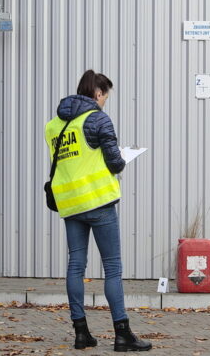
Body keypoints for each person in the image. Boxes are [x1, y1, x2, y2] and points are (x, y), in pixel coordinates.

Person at [44, 70, 152, 352]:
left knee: (76, 266)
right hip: (99, 203)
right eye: (106, 96)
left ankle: (81, 333)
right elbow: (115, 163)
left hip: (71, 205)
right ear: (98, 93)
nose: (105, 102)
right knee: (112, 268)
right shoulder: (97, 118)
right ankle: (122, 334)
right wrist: (123, 157)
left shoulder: (53, 126)